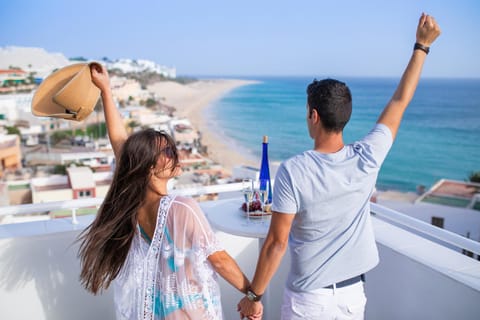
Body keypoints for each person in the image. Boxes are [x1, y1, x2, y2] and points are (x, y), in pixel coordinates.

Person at [237, 13, 441, 320]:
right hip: (352, 298)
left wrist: (254, 296)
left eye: (307, 111)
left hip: (308, 301)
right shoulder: (368, 156)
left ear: (314, 116)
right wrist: (421, 46)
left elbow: (277, 243)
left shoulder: (294, 170)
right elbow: (399, 102)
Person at [77, 64, 262, 320]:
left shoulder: (133, 200)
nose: (175, 153)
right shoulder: (181, 207)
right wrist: (253, 296)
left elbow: (120, 141)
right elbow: (218, 260)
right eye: (167, 152)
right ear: (149, 166)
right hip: (187, 313)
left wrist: (106, 91)